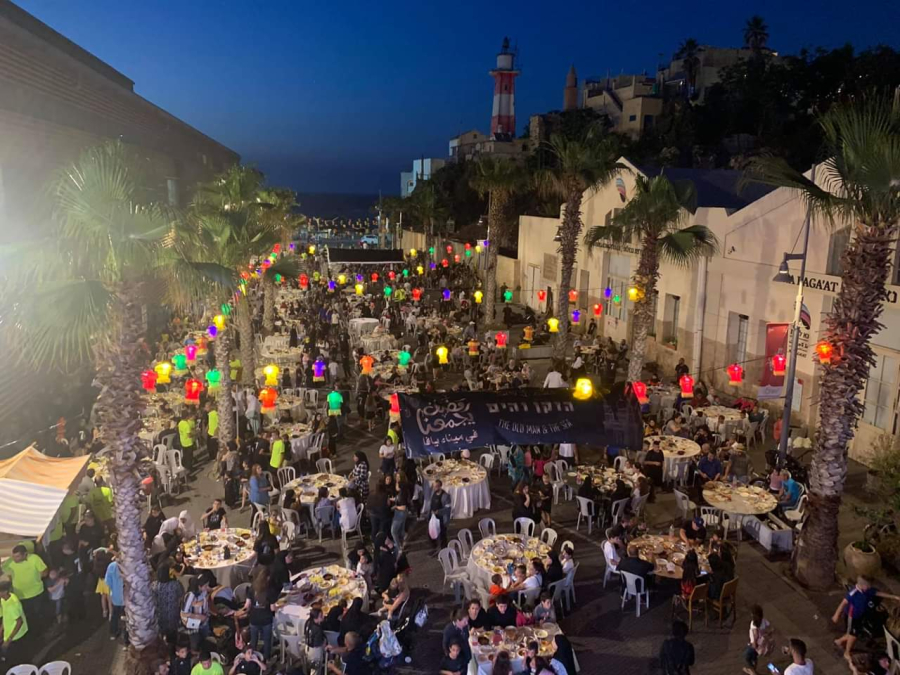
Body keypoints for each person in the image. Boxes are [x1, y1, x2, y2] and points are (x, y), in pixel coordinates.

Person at [832, 576, 900, 657]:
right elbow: (843, 603)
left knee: (853, 633)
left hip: (860, 616)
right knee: (853, 635)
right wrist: (836, 615)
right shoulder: (853, 593)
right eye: (868, 586)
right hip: (852, 617)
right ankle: (847, 652)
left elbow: (877, 593)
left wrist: (893, 597)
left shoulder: (867, 590)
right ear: (862, 585)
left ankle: (839, 641)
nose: (869, 587)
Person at [1, 545, 48, 625]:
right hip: (21, 595)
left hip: (36, 593)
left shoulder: (34, 559)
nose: (15, 559)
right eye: (13, 556)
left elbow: (45, 571)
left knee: (38, 614)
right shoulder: (10, 562)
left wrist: (37, 578)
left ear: (25, 554)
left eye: (17, 556)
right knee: (25, 616)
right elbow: (5, 572)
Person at [244, 566, 276, 661]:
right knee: (267, 640)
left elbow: (247, 605)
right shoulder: (270, 590)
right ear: (267, 577)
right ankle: (266, 659)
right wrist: (280, 606)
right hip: (266, 620)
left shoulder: (252, 588)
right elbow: (272, 608)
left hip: (254, 619)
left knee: (253, 640)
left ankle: (252, 658)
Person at [154, 562, 184, 646]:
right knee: (172, 638)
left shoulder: (155, 586)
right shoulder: (176, 584)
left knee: (160, 637)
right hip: (173, 615)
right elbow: (181, 597)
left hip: (160, 615)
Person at [0, 579, 28, 663]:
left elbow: (19, 622)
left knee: (14, 658)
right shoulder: (5, 598)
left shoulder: (12, 605)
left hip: (16, 636)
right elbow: (6, 615)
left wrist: (8, 640)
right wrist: (1, 628)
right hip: (8, 633)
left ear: (5, 592)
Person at [743, 604, 773, 675]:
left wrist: (754, 644)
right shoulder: (764, 621)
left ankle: (753, 671)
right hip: (762, 645)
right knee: (755, 657)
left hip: (755, 645)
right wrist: (767, 633)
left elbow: (755, 635)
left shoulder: (753, 623)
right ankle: (755, 669)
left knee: (746, 656)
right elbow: (771, 628)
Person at [105, 551, 127, 645]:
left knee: (115, 615)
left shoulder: (111, 566)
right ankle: (126, 638)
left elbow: (108, 582)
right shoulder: (127, 566)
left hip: (116, 596)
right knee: (126, 618)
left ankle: (114, 633)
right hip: (126, 597)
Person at [430, 479, 452, 551]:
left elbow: (448, 509)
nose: (434, 488)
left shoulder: (445, 496)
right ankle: (434, 547)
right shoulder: (433, 493)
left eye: (436, 486)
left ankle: (444, 550)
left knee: (442, 535)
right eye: (433, 486)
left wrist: (438, 512)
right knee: (431, 533)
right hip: (433, 518)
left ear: (440, 486)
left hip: (442, 519)